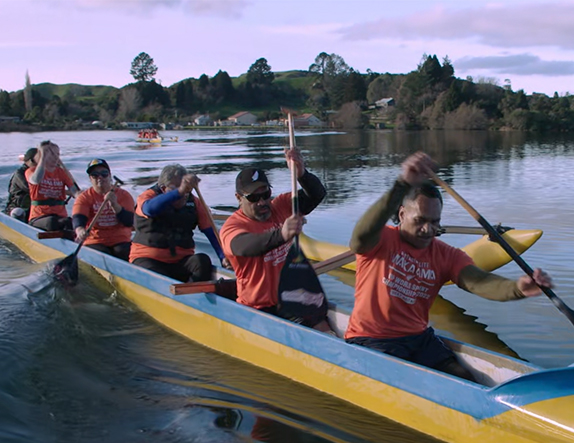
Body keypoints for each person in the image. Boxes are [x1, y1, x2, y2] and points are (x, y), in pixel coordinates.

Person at [344, 152, 553, 381]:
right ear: (402, 214)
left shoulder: (446, 255)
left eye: (435, 222)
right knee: (405, 382)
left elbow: (480, 282)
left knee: (465, 378)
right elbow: (360, 237)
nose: (428, 229)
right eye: (420, 220)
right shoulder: (380, 240)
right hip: (371, 338)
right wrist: (402, 184)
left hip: (419, 338)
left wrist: (518, 288)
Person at [219, 148, 329, 328]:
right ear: (239, 198)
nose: (262, 202)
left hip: (290, 299)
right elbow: (245, 247)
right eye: (254, 197)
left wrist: (302, 174)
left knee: (323, 327)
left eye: (265, 194)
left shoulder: (281, 206)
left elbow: (316, 195)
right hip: (257, 307)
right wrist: (282, 234)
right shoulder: (233, 227)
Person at [129, 164, 228, 282]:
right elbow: (150, 209)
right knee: (159, 277)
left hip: (181, 261)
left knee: (202, 260)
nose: (184, 195)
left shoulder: (195, 202)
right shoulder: (147, 197)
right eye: (176, 189)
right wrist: (179, 191)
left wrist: (223, 257)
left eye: (186, 190)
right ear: (163, 188)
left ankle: (193, 294)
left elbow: (211, 232)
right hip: (148, 259)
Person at [71, 159, 135, 260]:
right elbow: (78, 217)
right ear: (90, 179)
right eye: (95, 175)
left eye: (104, 174)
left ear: (109, 176)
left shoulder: (124, 195)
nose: (100, 177)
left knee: (124, 252)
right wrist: (80, 230)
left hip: (120, 239)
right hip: (95, 240)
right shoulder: (84, 197)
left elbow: (129, 222)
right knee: (102, 254)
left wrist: (114, 204)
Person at [25, 140, 79, 232]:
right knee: (52, 222)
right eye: (52, 154)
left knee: (70, 222)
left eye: (58, 154)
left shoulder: (62, 173)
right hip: (39, 217)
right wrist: (42, 158)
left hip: (60, 216)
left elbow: (74, 192)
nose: (56, 158)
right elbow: (35, 180)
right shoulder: (31, 171)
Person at [6, 147, 37, 222]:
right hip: (18, 207)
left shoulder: (41, 173)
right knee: (18, 212)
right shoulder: (19, 174)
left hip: (34, 206)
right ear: (31, 161)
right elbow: (29, 188)